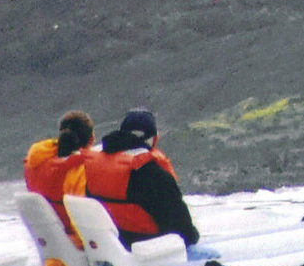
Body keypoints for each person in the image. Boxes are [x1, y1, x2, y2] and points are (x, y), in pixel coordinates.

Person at [83, 108, 210, 255]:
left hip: (114, 248)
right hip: (152, 252)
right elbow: (184, 231)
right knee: (212, 256)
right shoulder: (153, 173)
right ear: (154, 139)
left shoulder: (95, 167)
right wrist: (193, 236)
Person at [23, 110, 95, 244]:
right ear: (91, 139)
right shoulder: (79, 170)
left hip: (52, 244)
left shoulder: (33, 163)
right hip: (76, 243)